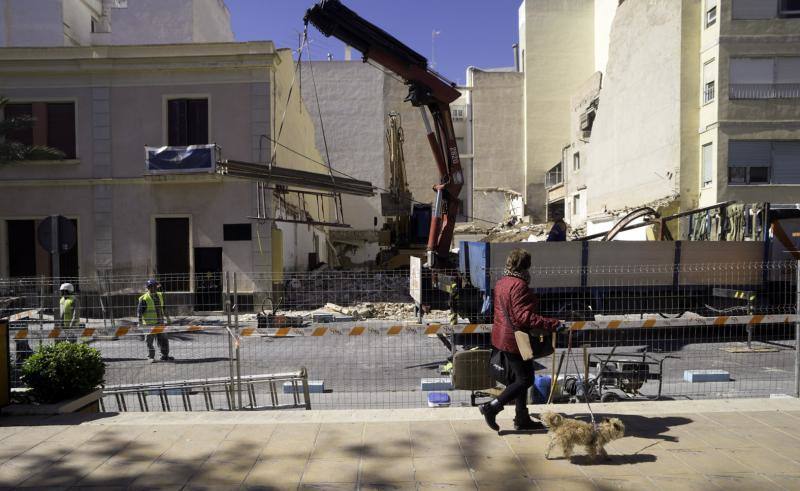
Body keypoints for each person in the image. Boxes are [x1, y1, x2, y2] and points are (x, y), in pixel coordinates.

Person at [479, 249, 565, 431]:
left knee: (518, 379)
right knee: (525, 379)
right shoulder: (519, 285)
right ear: (526, 265)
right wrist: (553, 323)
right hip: (516, 340)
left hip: (503, 336)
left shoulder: (502, 282)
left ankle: (522, 417)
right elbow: (523, 317)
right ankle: (491, 407)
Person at [139, 278, 173, 362]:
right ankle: (150, 357)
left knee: (164, 340)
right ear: (148, 288)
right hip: (149, 324)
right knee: (149, 342)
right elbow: (139, 312)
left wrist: (168, 318)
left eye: (155, 286)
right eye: (151, 286)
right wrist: (140, 322)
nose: (154, 288)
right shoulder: (144, 298)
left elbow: (164, 307)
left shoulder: (160, 295)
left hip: (160, 322)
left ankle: (164, 356)